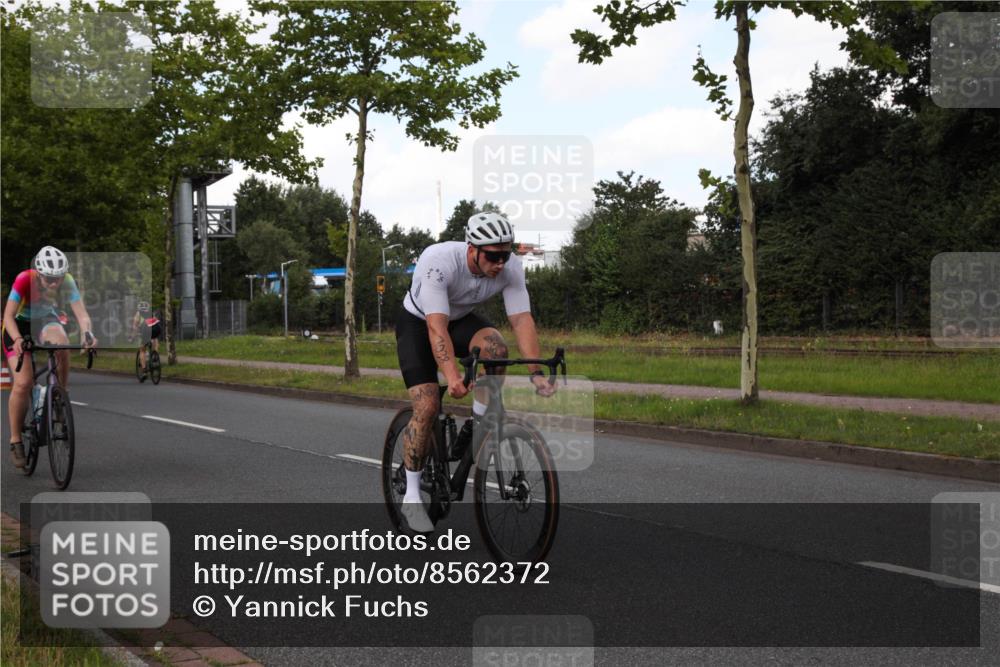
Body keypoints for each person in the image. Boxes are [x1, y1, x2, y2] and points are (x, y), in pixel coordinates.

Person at [395, 212, 555, 533]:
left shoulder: (509, 269)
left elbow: (521, 320)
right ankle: (411, 495)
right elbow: (436, 327)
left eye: (505, 255)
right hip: (419, 323)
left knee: (496, 349)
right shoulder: (439, 262)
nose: (500, 263)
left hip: (461, 319)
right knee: (427, 406)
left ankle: (479, 423)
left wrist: (536, 371)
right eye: (493, 256)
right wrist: (452, 375)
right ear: (472, 249)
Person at [2, 246, 97, 467]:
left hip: (45, 319)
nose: (54, 283)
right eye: (48, 279)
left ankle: (60, 393)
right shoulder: (24, 279)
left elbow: (82, 314)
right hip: (18, 325)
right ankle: (15, 440)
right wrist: (16, 340)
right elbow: (7, 316)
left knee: (62, 344)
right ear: (38, 273)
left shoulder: (68, 280)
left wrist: (87, 334)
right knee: (24, 382)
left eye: (58, 278)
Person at [130, 301, 161, 377]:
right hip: (157, 328)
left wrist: (132, 337)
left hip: (145, 329)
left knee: (142, 350)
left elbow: (135, 328)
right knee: (155, 338)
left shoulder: (138, 314)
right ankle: (155, 355)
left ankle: (144, 370)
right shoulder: (152, 313)